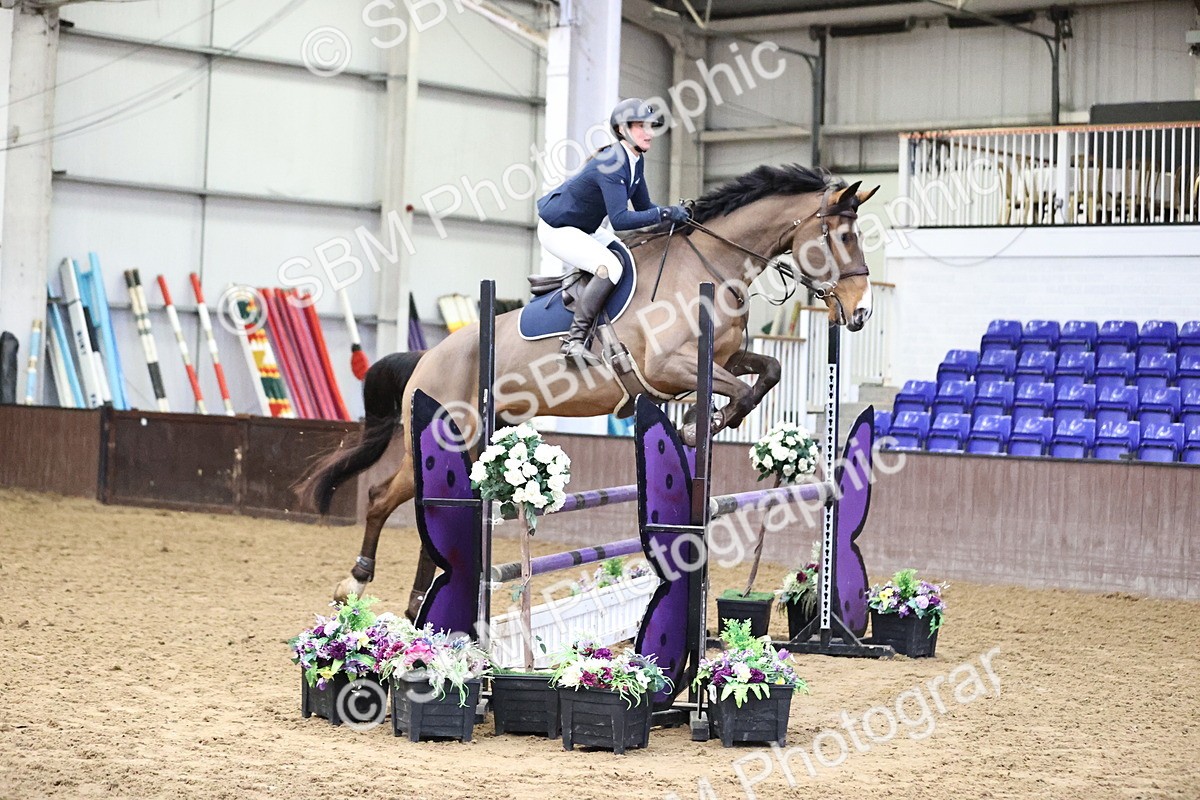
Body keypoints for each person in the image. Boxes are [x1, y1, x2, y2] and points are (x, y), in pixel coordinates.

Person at [537, 98, 690, 366]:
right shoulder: (612, 162)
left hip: (585, 227)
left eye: (650, 126)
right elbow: (620, 220)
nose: (649, 133)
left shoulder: (635, 160)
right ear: (622, 130)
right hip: (557, 228)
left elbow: (644, 207)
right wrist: (666, 213)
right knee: (610, 267)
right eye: (640, 126)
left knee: (627, 254)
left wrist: (675, 218)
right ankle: (574, 342)